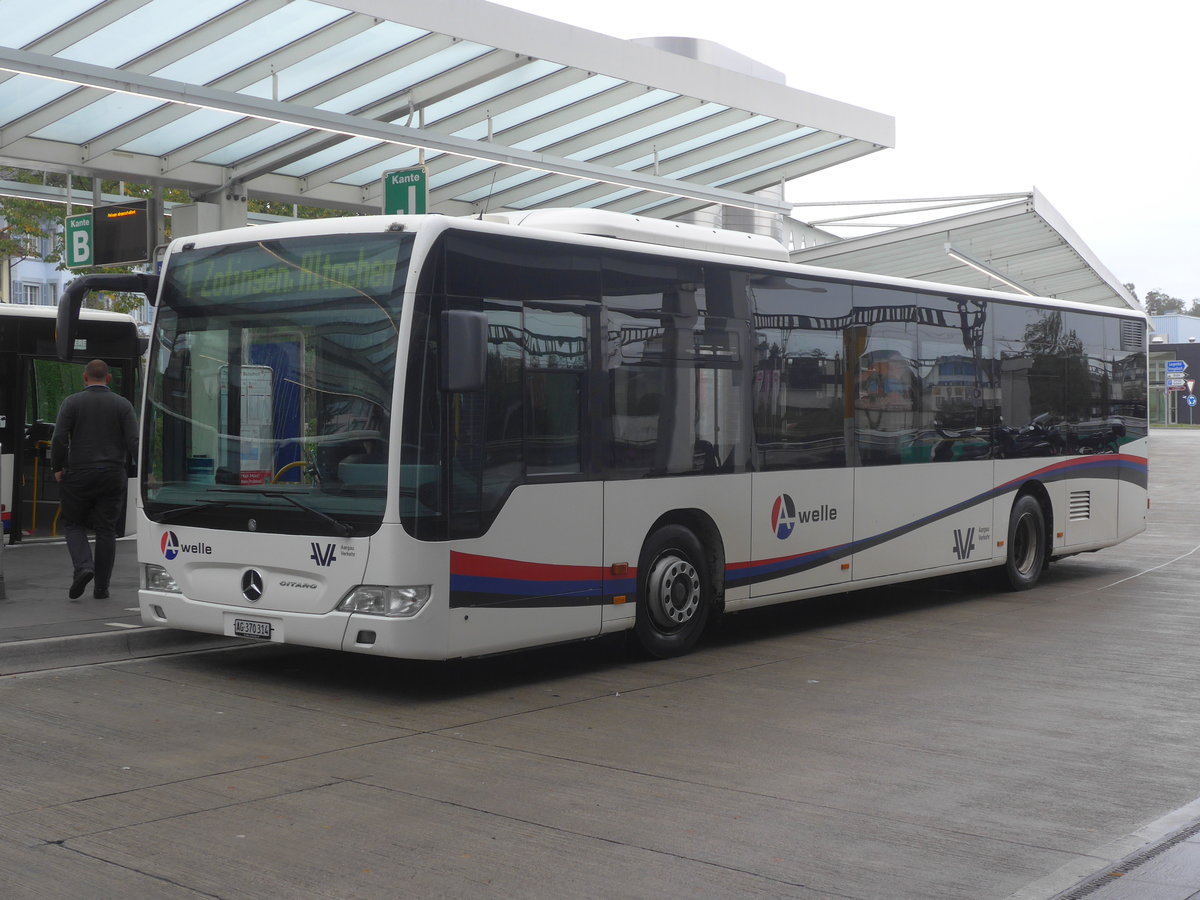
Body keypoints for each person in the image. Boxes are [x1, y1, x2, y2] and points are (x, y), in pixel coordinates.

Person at [51, 359, 139, 600]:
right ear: (108, 378)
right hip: (113, 474)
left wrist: (58, 466)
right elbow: (134, 441)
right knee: (106, 530)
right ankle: (102, 588)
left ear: (85, 377)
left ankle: (83, 566)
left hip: (79, 474)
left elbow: (59, 438)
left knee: (73, 524)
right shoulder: (123, 405)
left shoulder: (72, 402)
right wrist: (145, 471)